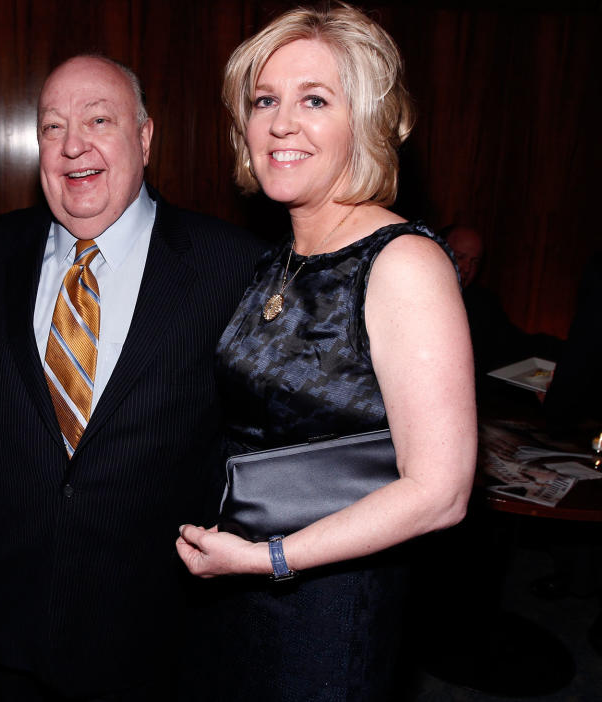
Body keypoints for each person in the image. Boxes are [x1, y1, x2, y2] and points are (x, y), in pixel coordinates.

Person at [175, 4, 477, 700]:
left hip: (323, 608)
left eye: (315, 99)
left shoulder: (402, 262)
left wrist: (269, 560)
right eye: (264, 101)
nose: (281, 123)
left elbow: (441, 492)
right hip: (238, 581)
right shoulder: (277, 260)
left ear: (364, 121)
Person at [0, 55, 265, 701]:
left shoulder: (231, 268)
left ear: (146, 138)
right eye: (52, 126)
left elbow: (266, 440)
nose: (74, 145)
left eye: (100, 119)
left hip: (157, 640)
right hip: (2, 634)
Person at [442, 223, 559, 375]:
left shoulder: (483, 303)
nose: (467, 268)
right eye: (460, 257)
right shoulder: (414, 295)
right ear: (438, 252)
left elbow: (515, 344)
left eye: (474, 262)